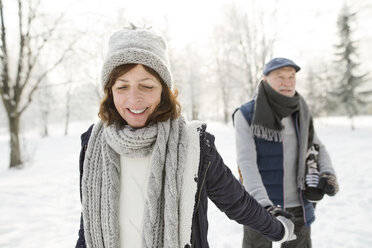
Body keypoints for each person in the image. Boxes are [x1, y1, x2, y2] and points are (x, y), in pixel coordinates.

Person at [74, 28, 297, 248]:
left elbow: (236, 202)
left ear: (164, 91)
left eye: (147, 86)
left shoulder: (195, 144)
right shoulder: (92, 143)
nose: (134, 98)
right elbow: (90, 220)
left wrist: (279, 229)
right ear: (110, 92)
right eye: (122, 86)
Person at [233, 57, 339, 248]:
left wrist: (328, 173)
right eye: (280, 77)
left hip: (300, 204)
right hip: (261, 206)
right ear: (265, 79)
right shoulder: (246, 114)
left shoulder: (301, 110)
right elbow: (246, 163)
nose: (287, 82)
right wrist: (263, 205)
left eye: (291, 77)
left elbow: (317, 146)